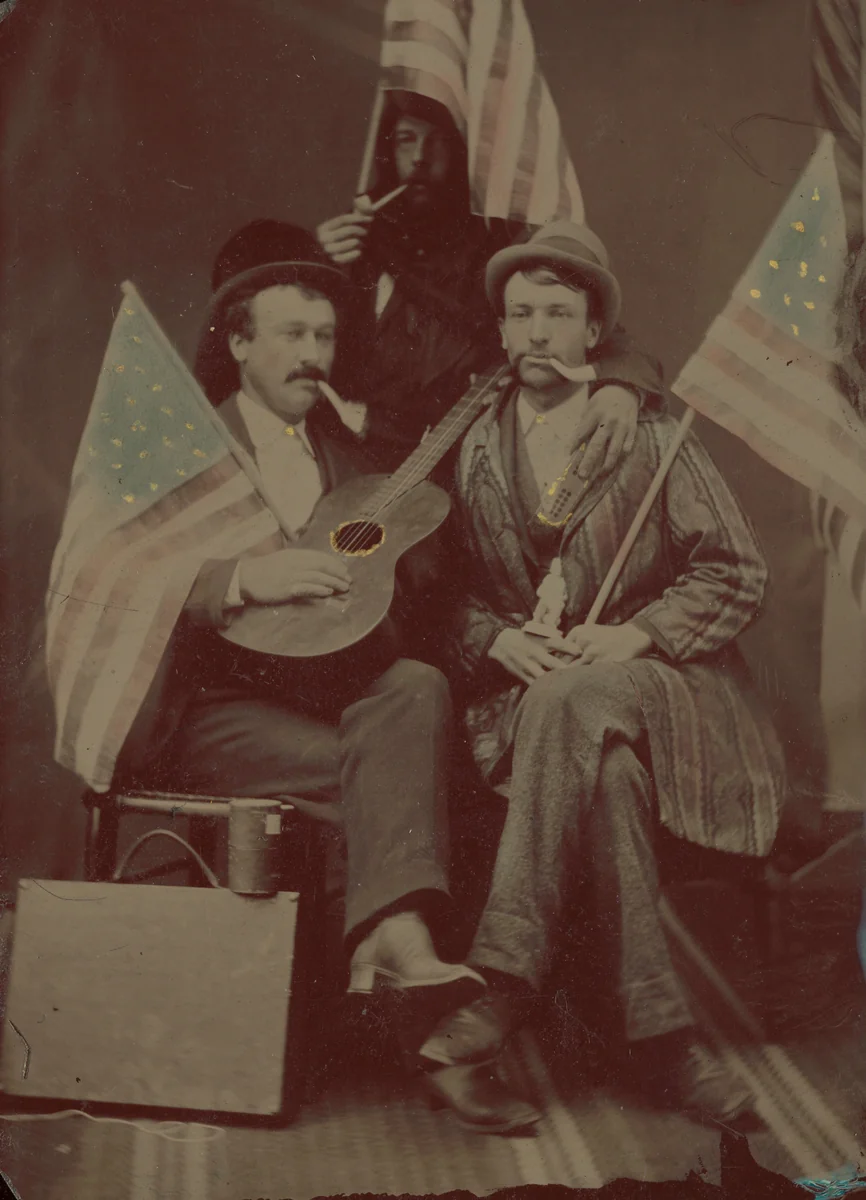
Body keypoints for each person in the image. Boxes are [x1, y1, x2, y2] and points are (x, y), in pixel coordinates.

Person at [414, 221, 787, 1131]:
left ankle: (498, 987)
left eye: (560, 314)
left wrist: (639, 636)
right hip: (527, 700)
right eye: (521, 314)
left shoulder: (653, 435)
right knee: (605, 775)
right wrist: (491, 641)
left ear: (595, 334)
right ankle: (662, 1040)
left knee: (581, 697)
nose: (538, 332)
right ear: (500, 331)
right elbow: (438, 591)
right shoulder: (464, 446)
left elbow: (737, 571)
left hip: (669, 696)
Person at [122, 220, 484, 1008]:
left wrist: (393, 546)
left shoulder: (350, 458)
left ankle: (387, 952)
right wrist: (248, 577)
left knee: (417, 684)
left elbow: (413, 577)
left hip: (318, 701)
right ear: (241, 344)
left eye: (323, 334)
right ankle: (397, 963)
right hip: (208, 713)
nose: (311, 353)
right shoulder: (186, 450)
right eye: (291, 333)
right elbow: (113, 580)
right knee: (399, 780)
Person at [316, 90, 664, 477]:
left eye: (439, 142)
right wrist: (319, 266)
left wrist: (621, 388)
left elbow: (606, 339)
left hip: (454, 476)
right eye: (406, 139)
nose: (419, 157)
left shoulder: (500, 257)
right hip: (352, 470)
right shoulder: (354, 249)